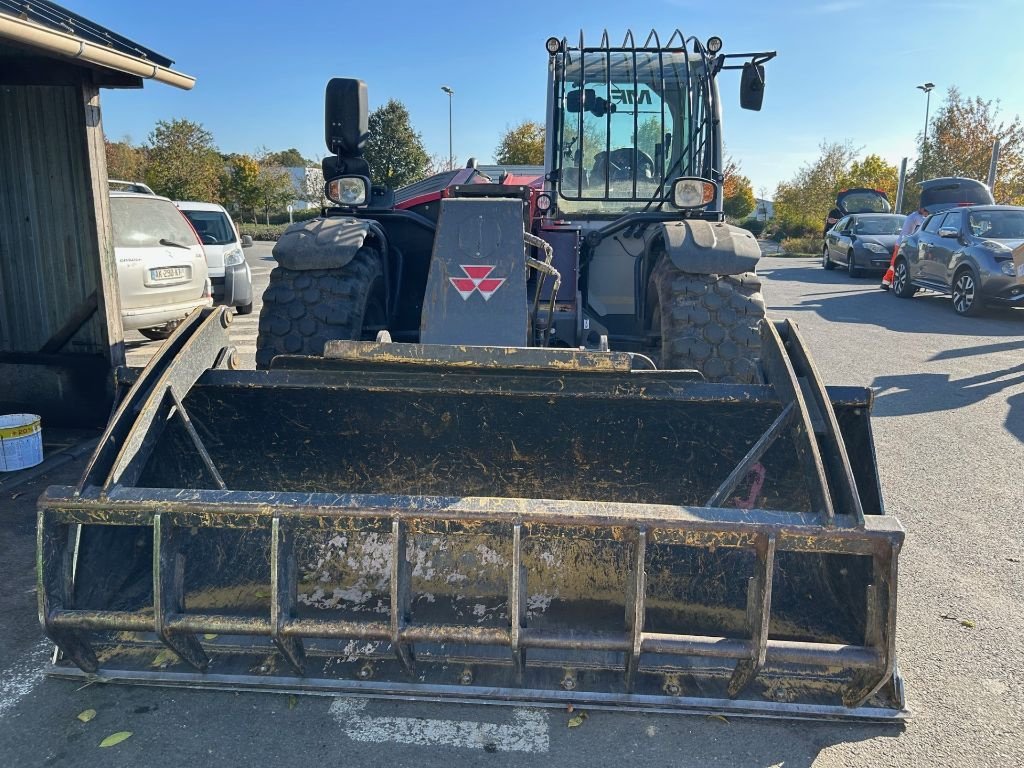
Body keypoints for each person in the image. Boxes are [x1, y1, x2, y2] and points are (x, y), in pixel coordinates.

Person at [879, 207, 926, 290]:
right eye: (926, 211)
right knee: (897, 264)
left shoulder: (912, 215)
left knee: (894, 263)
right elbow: (925, 224)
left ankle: (886, 282)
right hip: (904, 243)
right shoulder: (917, 217)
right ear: (921, 209)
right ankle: (894, 283)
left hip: (900, 242)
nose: (926, 213)